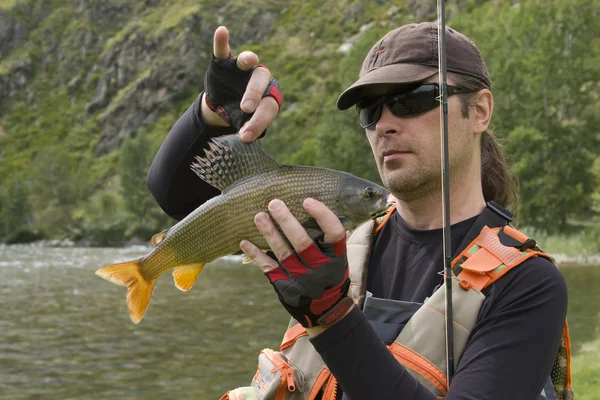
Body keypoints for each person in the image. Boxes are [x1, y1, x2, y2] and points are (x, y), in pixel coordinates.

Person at [147, 23, 571, 400]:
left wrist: (330, 316)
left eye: (410, 100)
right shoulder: (332, 235)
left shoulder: (526, 284)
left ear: (478, 111)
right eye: (372, 110)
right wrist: (215, 114)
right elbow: (175, 198)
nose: (385, 123)